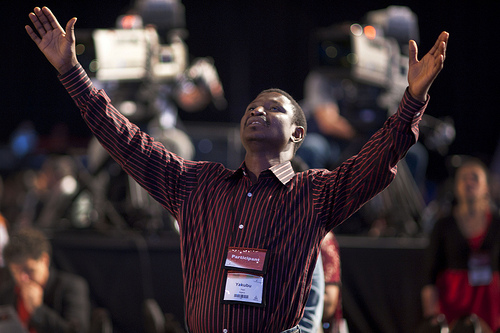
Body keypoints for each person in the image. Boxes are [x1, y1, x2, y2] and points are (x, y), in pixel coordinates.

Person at [25, 6, 448, 332]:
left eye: (273, 107)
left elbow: (376, 163)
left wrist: (411, 99)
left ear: (298, 134)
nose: (258, 110)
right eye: (253, 106)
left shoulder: (313, 193)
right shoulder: (197, 185)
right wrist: (72, 72)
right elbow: (127, 141)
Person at [421, 158, 500, 332]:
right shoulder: (443, 225)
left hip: (489, 304)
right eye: (463, 178)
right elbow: (429, 276)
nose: (469, 182)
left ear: (486, 187)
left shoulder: (497, 224)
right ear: (456, 186)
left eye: (474, 177)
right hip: (452, 303)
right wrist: (432, 320)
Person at [0, 227, 91, 333]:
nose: (23, 278)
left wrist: (38, 310)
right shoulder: (7, 294)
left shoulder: (71, 287)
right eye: (16, 272)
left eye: (29, 270)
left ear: (44, 260)